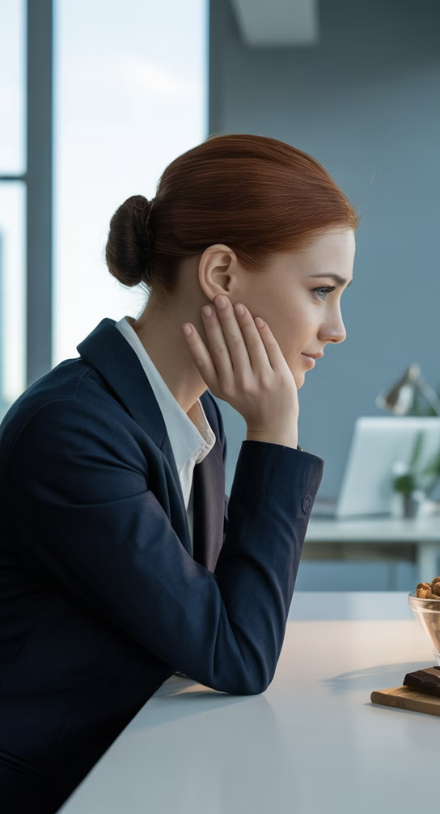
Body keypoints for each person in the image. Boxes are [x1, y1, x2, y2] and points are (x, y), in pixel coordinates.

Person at [0, 134, 357, 812]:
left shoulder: (197, 416)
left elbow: (217, 616)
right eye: (320, 291)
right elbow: (234, 654)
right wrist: (276, 432)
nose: (336, 327)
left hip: (135, 761)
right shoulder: (73, 433)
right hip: (51, 787)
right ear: (221, 275)